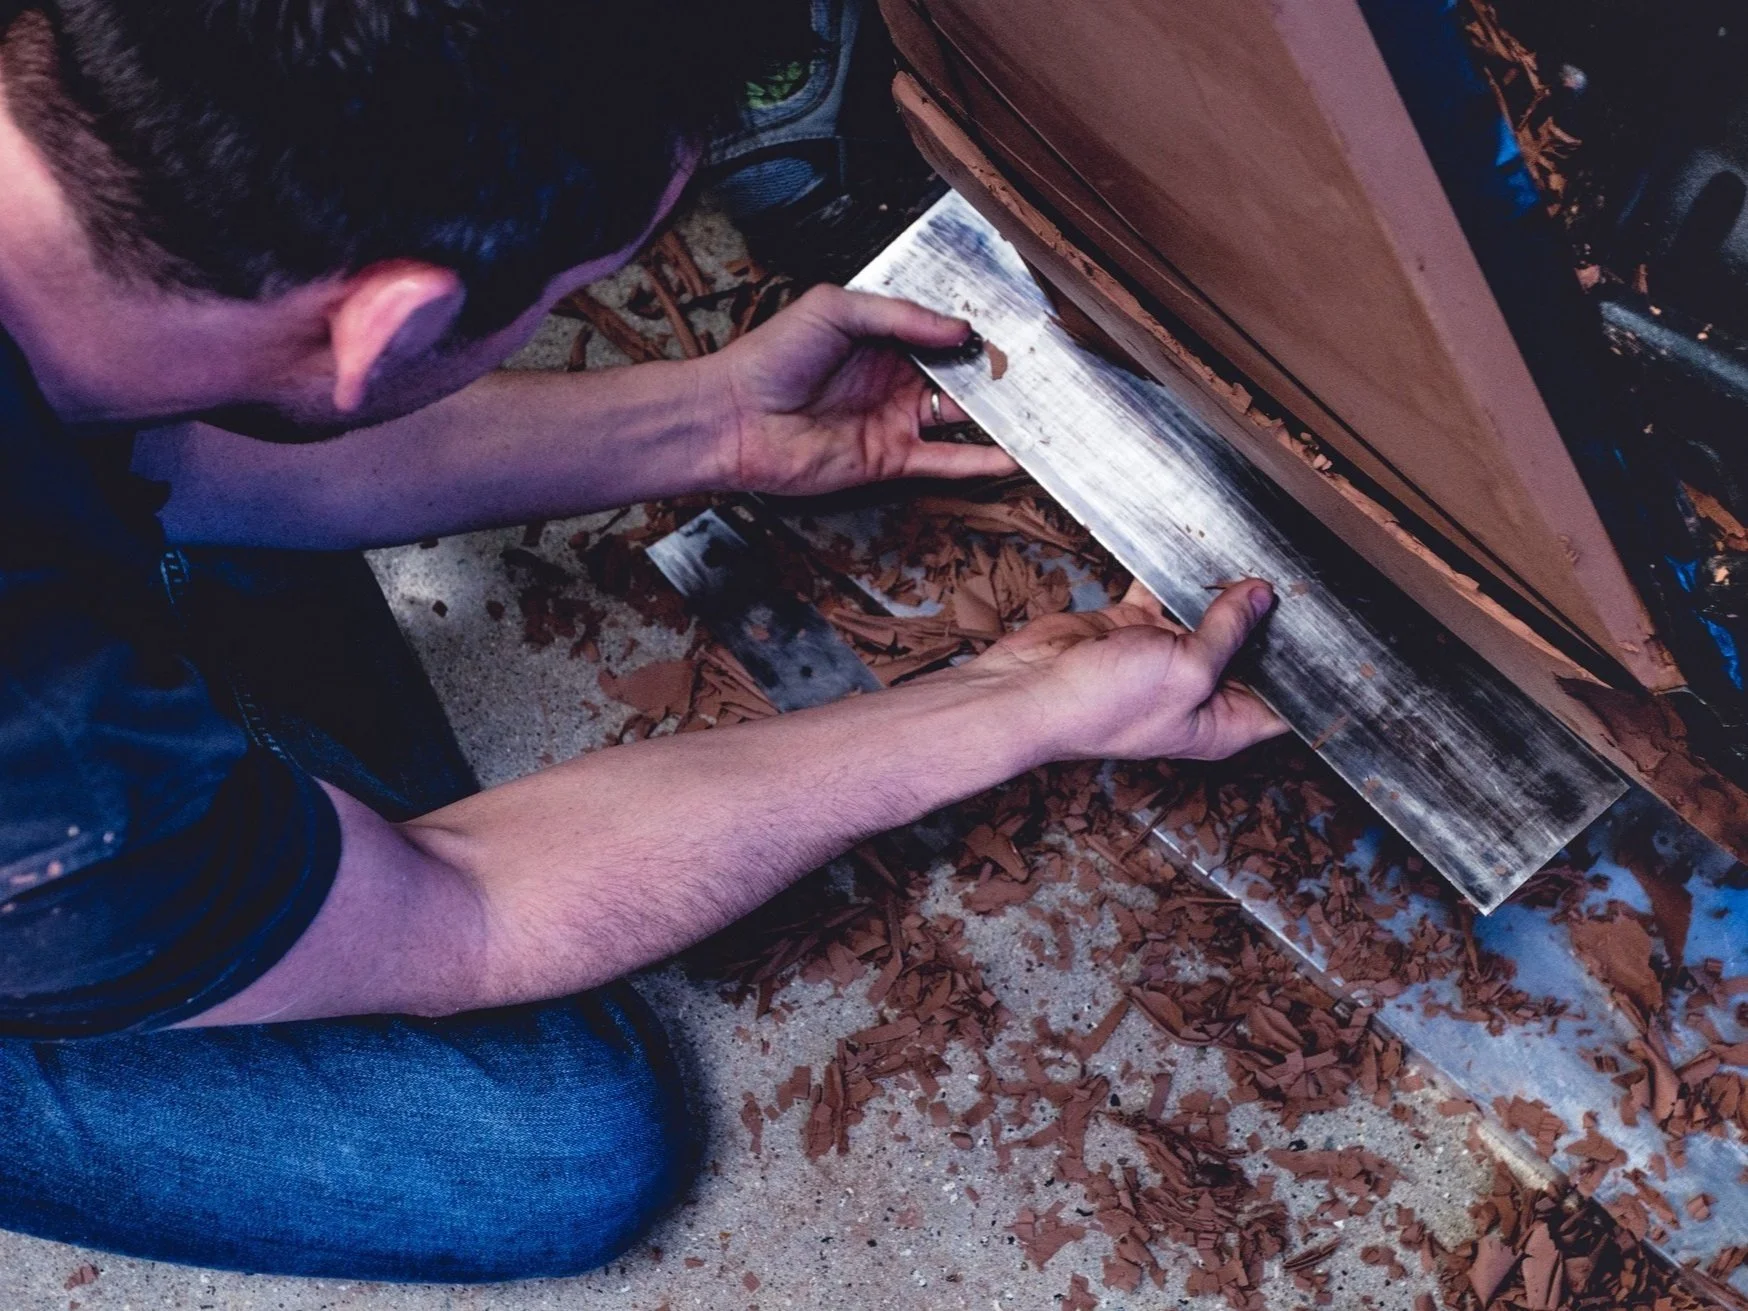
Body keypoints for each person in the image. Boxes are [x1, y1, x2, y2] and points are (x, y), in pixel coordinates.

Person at [0, 0, 1287, 1283]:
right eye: (564, 294)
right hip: (44, 812)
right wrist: (1015, 700)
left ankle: (182, 861)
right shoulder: (53, 766)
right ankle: (161, 894)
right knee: (549, 1143)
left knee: (185, 530)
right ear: (385, 325)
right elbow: (466, 903)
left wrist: (714, 421)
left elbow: (179, 464)